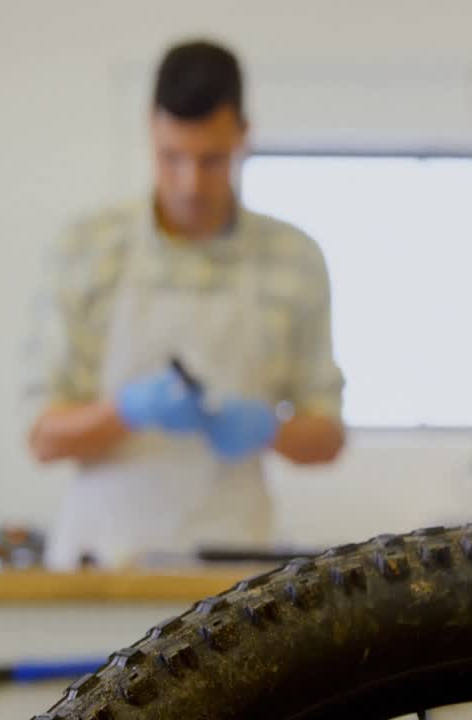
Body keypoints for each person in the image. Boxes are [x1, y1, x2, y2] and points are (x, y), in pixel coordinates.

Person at [28, 40, 345, 570]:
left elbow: (329, 438)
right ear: (150, 129)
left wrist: (268, 427)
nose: (190, 183)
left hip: (234, 571)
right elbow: (43, 439)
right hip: (104, 564)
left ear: (244, 134)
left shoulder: (295, 259)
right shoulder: (86, 249)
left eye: (212, 160)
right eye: (172, 157)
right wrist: (126, 411)